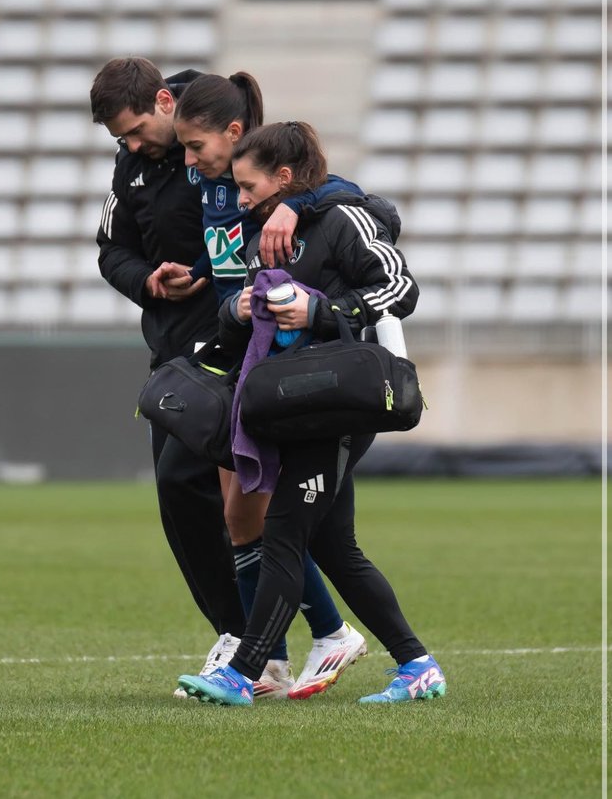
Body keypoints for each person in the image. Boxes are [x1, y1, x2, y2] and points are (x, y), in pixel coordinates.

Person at [177, 122, 447, 705]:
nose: (240, 198)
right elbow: (245, 317)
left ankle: (243, 672)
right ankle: (418, 665)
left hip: (345, 400)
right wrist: (238, 309)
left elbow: (400, 288)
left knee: (283, 532)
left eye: (248, 187)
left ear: (284, 178)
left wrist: (322, 311)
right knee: (332, 546)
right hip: (297, 404)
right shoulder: (262, 235)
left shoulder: (345, 220)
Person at [165, 72, 369, 699]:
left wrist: (296, 204)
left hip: (282, 359)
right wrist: (201, 273)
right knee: (242, 519)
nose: (190, 161)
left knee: (261, 517)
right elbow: (228, 249)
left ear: (232, 135)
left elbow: (356, 197)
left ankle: (327, 637)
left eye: (196, 147)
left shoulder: (267, 176)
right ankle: (273, 661)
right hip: (240, 348)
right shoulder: (211, 179)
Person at [90, 57, 247, 692]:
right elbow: (111, 250)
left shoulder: (217, 129)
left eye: (134, 132)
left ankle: (261, 643)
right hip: (174, 348)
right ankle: (244, 636)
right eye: (118, 140)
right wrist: (148, 280)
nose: (130, 146)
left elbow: (298, 180)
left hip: (233, 342)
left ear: (163, 101)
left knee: (224, 490)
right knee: (180, 494)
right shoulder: (130, 167)